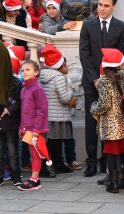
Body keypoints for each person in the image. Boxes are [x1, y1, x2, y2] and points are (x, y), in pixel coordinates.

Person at [79, 0, 124, 177]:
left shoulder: (122, 27)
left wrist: (108, 79)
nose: (101, 8)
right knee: (91, 121)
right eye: (100, 5)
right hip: (91, 82)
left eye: (106, 6)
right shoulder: (88, 25)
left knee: (109, 121)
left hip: (112, 83)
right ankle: (91, 162)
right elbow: (84, 54)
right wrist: (95, 79)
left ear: (113, 6)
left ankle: (105, 162)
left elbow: (123, 54)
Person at [90, 48, 124, 193]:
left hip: (110, 124)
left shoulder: (103, 81)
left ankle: (113, 183)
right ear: (121, 65)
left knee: (111, 152)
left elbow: (104, 104)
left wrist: (93, 108)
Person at [39, 44, 74, 173]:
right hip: (57, 114)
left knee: (51, 141)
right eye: (65, 65)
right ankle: (52, 165)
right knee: (55, 142)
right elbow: (64, 98)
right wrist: (71, 91)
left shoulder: (43, 75)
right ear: (59, 66)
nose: (67, 67)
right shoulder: (59, 77)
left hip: (46, 114)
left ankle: (53, 164)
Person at [18, 60, 48, 191]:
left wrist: (37, 129)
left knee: (36, 154)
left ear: (36, 72)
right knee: (32, 153)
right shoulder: (24, 89)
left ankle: (35, 179)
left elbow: (42, 110)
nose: (24, 72)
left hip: (35, 129)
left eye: (27, 70)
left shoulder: (37, 89)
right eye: (23, 70)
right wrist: (21, 127)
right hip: (27, 128)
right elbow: (24, 111)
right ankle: (34, 178)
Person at [0, 44, 24, 187]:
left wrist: (9, 110)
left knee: (13, 151)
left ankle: (16, 176)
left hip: (11, 122)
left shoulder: (15, 83)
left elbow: (20, 102)